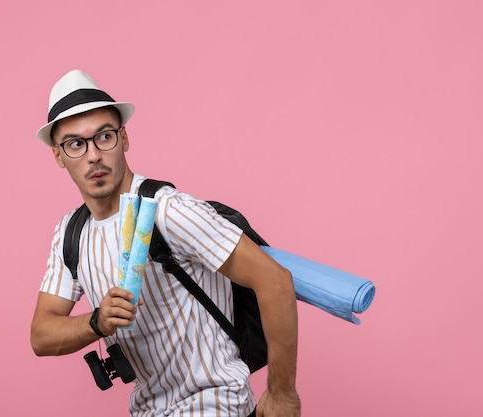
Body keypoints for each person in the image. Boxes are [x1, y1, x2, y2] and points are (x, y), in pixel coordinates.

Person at [30, 69, 301, 417]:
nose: (93, 155)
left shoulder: (171, 211)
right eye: (76, 144)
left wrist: (281, 393)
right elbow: (41, 334)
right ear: (59, 156)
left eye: (104, 137)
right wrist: (96, 321)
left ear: (124, 139)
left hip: (215, 404)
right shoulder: (71, 233)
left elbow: (275, 281)